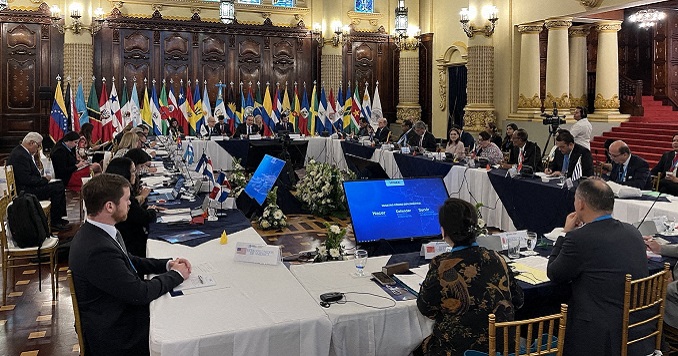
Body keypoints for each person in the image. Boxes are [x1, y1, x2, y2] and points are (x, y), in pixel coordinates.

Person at [69, 173, 190, 355]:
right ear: (109, 206)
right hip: (117, 333)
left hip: (116, 312)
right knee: (181, 322)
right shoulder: (97, 250)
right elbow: (140, 293)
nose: (131, 203)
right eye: (126, 199)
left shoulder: (100, 231)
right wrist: (177, 275)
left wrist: (167, 265)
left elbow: (129, 260)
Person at [547, 178, 653, 356]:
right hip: (639, 324)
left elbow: (554, 273)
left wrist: (565, 234)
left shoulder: (580, 239)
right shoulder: (633, 231)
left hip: (600, 333)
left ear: (580, 204)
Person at [414, 198, 523, 356]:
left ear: (444, 231)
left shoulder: (442, 265)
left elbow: (424, 306)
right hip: (501, 349)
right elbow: (518, 299)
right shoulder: (497, 258)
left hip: (457, 350)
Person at [7, 132, 69, 230]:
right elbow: (26, 179)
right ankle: (55, 221)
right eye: (38, 146)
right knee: (57, 188)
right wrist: (44, 180)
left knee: (59, 184)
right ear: (31, 143)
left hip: (29, 187)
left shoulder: (22, 152)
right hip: (26, 191)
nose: (38, 149)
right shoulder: (20, 155)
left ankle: (58, 218)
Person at [105, 157, 160, 259]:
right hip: (132, 246)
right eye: (133, 171)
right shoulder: (122, 195)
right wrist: (151, 210)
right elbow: (144, 218)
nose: (136, 174)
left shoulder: (111, 190)